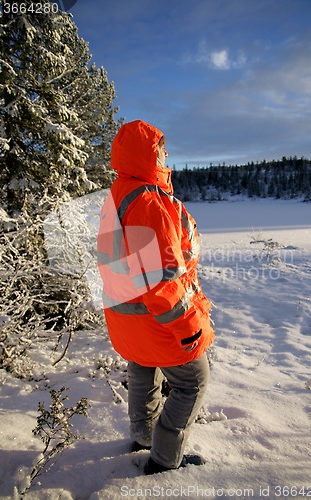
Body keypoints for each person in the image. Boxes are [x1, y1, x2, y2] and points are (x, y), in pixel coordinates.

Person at [97, 120, 215, 474]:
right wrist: (188, 325)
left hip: (125, 314)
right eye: (161, 149)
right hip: (155, 317)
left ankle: (143, 436)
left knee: (143, 367)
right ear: (149, 155)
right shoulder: (148, 201)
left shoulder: (119, 193)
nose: (167, 155)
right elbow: (161, 279)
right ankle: (164, 459)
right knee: (193, 380)